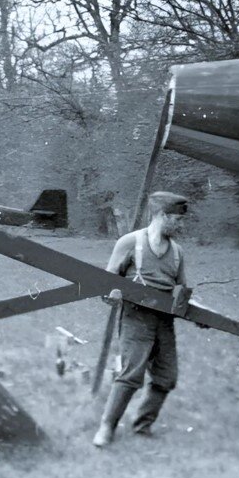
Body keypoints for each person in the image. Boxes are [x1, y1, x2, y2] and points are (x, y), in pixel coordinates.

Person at [92, 191, 190, 448]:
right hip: (136, 317)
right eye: (178, 220)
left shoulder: (177, 252)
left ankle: (142, 426)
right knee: (131, 374)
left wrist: (193, 310)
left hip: (164, 322)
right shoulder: (130, 243)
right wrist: (110, 295)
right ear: (161, 215)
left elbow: (181, 291)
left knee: (167, 377)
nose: (182, 225)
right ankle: (106, 428)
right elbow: (108, 282)